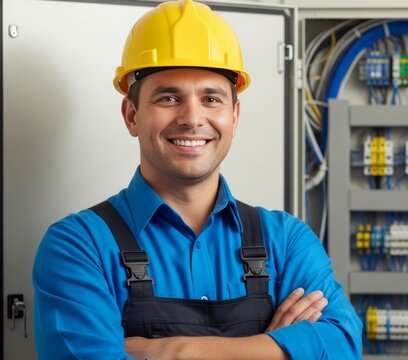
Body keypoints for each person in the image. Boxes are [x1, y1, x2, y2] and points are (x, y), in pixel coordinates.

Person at [32, 0, 362, 358]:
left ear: (234, 117)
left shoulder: (286, 241)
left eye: (211, 98)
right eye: (169, 97)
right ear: (131, 116)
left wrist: (178, 350)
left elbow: (342, 345)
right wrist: (273, 348)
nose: (192, 118)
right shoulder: (79, 246)